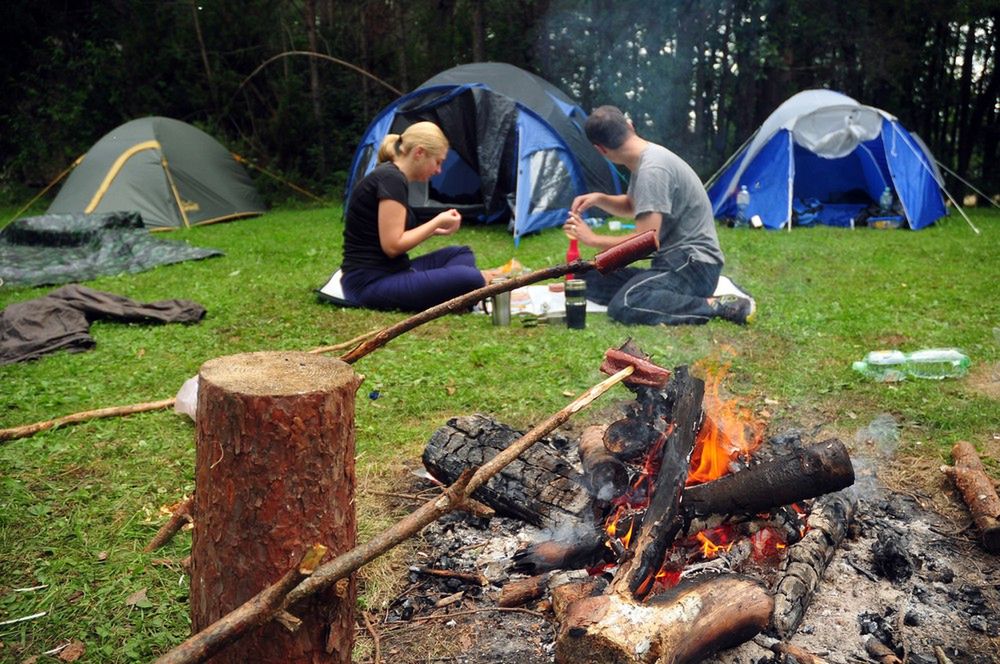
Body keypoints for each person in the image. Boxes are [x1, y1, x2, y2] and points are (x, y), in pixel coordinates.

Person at [563, 105, 755, 326]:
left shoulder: (652, 170)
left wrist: (592, 239)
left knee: (625, 303)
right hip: (673, 263)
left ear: (600, 150)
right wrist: (599, 198)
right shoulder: (645, 159)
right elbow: (633, 205)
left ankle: (717, 305)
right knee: (586, 279)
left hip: (694, 265)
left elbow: (644, 243)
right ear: (630, 126)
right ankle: (660, 294)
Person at [341, 122, 512, 312]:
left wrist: (434, 230)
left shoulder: (392, 177)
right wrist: (436, 222)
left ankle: (452, 290)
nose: (438, 170)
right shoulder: (391, 179)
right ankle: (468, 286)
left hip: (395, 271)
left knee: (460, 252)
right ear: (419, 153)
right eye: (438, 162)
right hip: (369, 283)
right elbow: (392, 246)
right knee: (471, 278)